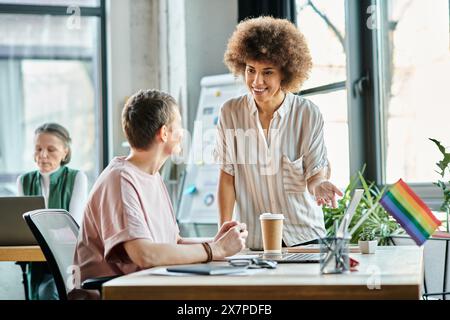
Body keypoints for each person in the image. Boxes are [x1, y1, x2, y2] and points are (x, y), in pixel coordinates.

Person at [72, 89, 247, 299]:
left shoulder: (151, 175)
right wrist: (214, 250)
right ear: (164, 133)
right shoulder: (120, 180)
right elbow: (145, 254)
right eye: (179, 124)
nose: (183, 132)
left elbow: (173, 243)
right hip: (111, 295)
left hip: (143, 287)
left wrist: (217, 243)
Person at [215, 16, 343, 250]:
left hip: (305, 237)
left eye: (268, 72)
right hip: (255, 241)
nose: (257, 81)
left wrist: (320, 185)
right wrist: (224, 229)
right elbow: (227, 177)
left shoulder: (307, 114)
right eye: (250, 70)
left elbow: (315, 173)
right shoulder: (230, 113)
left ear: (285, 73)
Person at [17, 123, 88, 300]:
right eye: (38, 149)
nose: (43, 155)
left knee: (49, 292)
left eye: (51, 149)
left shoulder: (77, 178)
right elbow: (21, 229)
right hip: (37, 261)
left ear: (65, 151)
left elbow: (74, 227)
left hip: (68, 261)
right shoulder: (24, 181)